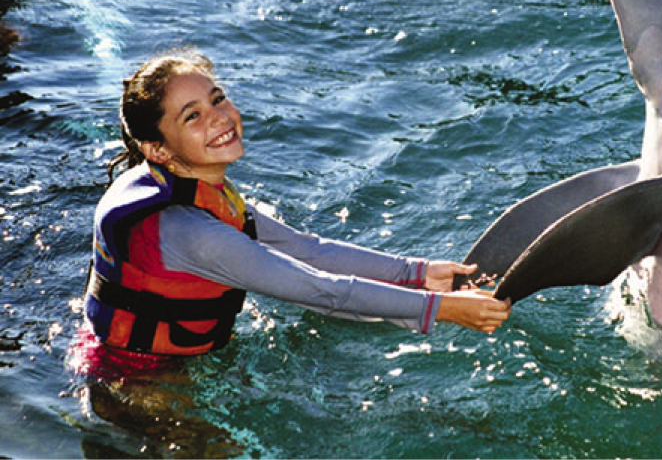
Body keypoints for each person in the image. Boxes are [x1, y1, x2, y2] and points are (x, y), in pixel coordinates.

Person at [75, 49, 510, 375]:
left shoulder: (186, 188)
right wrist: (443, 309)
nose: (220, 118)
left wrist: (417, 272)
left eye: (218, 98)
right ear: (158, 149)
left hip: (150, 358)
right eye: (193, 116)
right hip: (141, 383)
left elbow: (307, 250)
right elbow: (318, 289)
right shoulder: (192, 232)